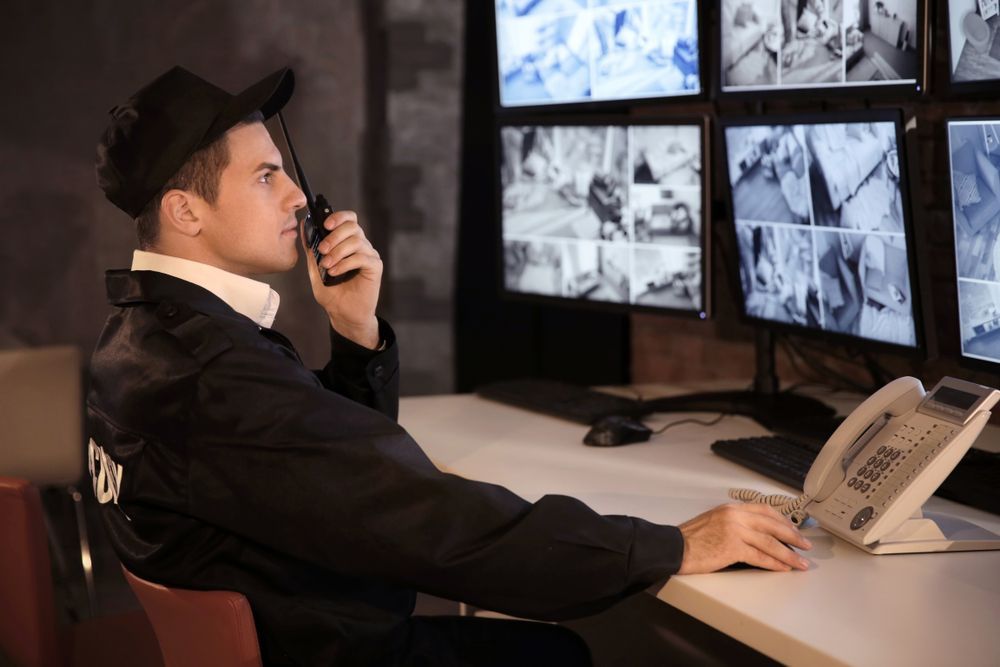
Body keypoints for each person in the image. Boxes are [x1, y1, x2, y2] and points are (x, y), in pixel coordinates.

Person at [89, 65, 812, 666]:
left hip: (294, 637)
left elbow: (329, 484)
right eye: (265, 177)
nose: (298, 197)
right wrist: (670, 543)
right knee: (563, 654)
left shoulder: (140, 341)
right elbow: (426, 520)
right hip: (332, 649)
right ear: (186, 212)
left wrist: (354, 330)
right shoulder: (213, 373)